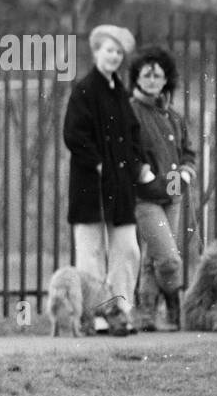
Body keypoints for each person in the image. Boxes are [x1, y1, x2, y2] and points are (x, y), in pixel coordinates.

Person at [63, 24, 152, 335]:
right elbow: (74, 135)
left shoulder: (121, 94)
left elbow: (133, 135)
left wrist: (138, 166)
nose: (114, 56)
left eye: (118, 52)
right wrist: (98, 164)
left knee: (127, 249)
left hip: (120, 185)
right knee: (91, 252)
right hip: (90, 185)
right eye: (108, 50)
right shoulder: (83, 90)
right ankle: (98, 315)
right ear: (96, 52)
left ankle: (120, 309)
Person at [127, 46, 197, 331]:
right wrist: (142, 174)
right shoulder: (131, 110)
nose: (153, 80)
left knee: (153, 256)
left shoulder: (174, 116)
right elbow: (126, 150)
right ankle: (172, 305)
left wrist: (186, 173)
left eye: (158, 75)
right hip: (145, 196)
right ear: (137, 78)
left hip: (173, 193)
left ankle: (146, 314)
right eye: (147, 75)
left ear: (166, 79)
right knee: (168, 257)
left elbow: (188, 153)